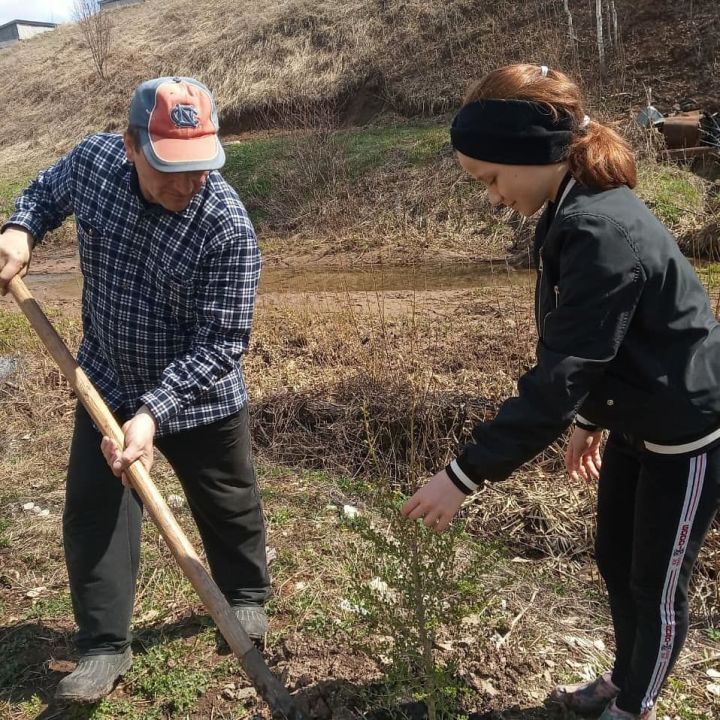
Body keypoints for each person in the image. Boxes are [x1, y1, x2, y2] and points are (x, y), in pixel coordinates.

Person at [401, 64, 720, 720]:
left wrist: (462, 476)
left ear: (531, 153)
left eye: (491, 178)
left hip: (687, 427)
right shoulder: (570, 206)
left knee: (657, 586)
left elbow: (559, 378)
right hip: (638, 414)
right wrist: (594, 417)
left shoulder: (602, 230)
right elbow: (604, 343)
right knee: (615, 559)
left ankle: (633, 707)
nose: (491, 197)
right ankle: (622, 680)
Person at [0, 77, 270, 703]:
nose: (184, 186)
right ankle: (102, 646)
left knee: (227, 500)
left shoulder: (226, 226)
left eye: (198, 170)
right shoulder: (95, 163)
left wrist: (154, 412)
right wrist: (20, 228)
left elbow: (223, 340)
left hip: (197, 394)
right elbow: (43, 193)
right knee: (95, 512)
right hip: (107, 377)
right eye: (169, 171)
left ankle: (247, 595)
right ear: (131, 145)